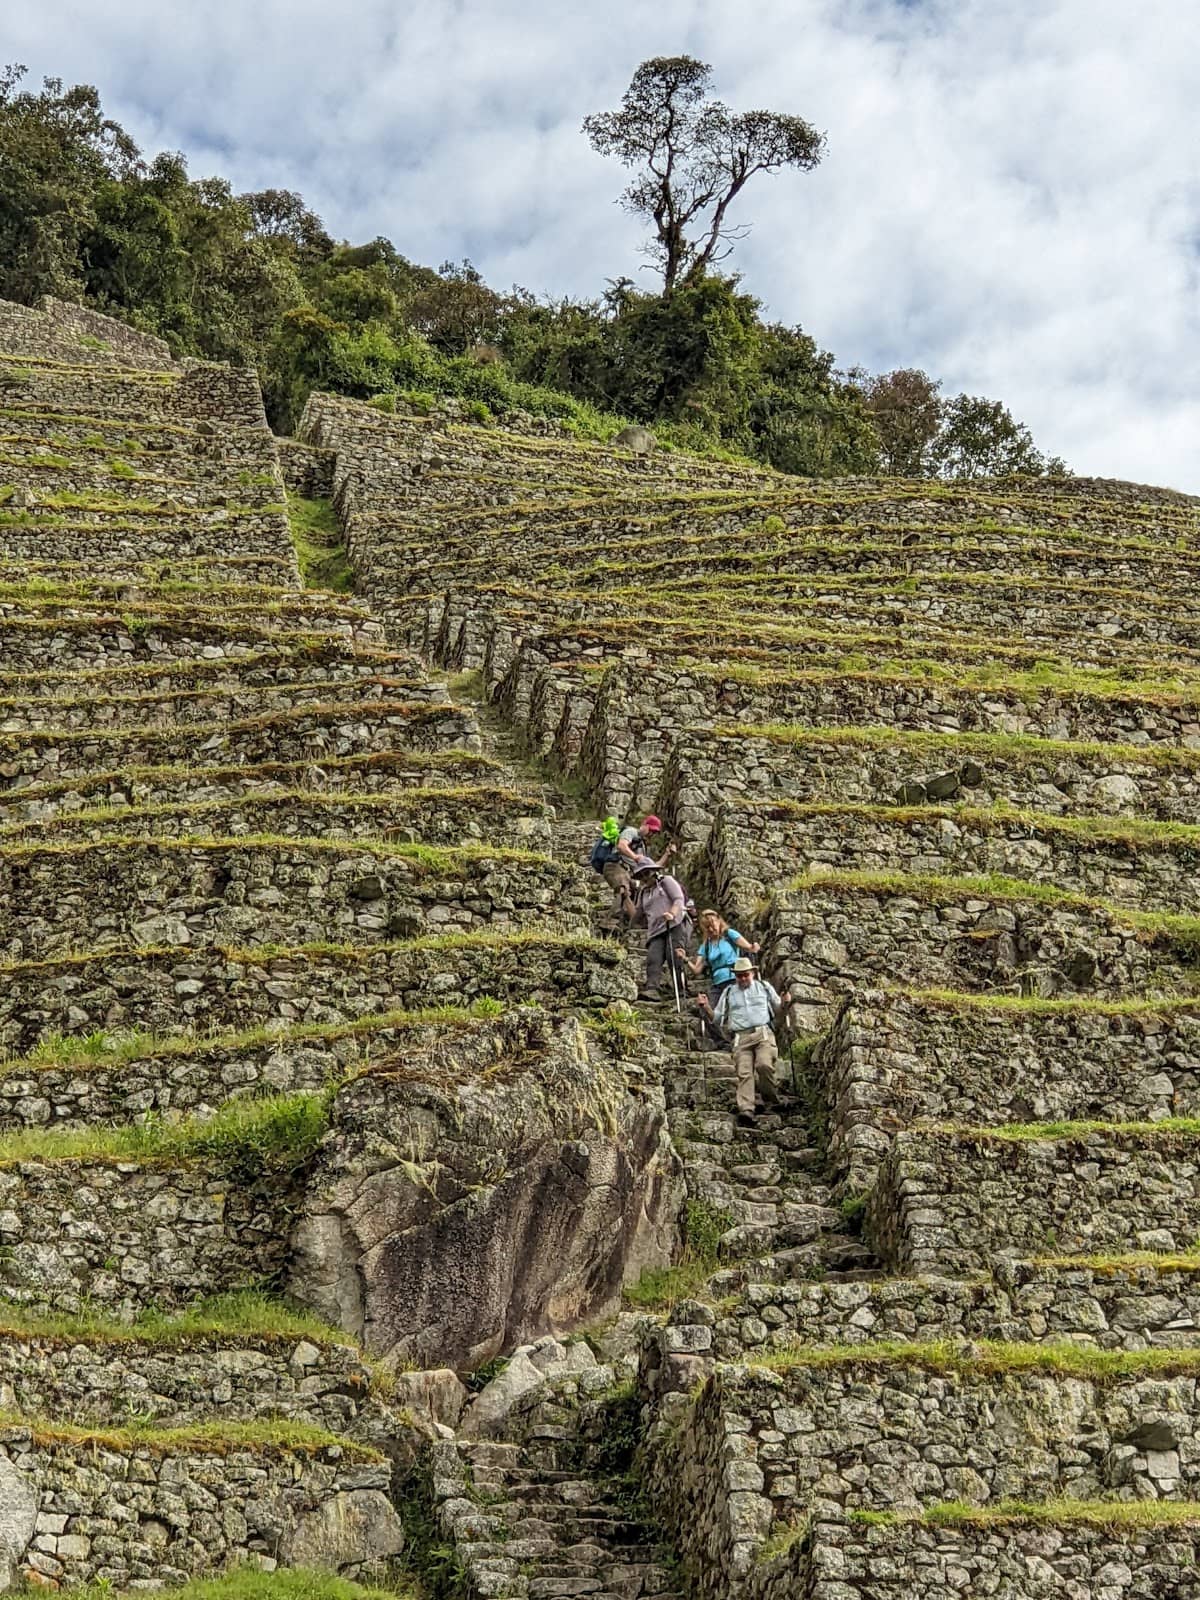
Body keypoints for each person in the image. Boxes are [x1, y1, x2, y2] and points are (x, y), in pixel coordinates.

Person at [702, 957, 791, 1124]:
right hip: (741, 1037)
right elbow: (718, 1018)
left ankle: (771, 1099)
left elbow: (778, 1009)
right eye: (739, 976)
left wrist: (785, 1003)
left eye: (746, 975)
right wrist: (706, 1007)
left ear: (753, 973)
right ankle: (746, 1109)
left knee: (763, 1065)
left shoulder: (764, 987)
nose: (743, 978)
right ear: (735, 976)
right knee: (744, 1072)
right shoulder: (728, 992)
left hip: (762, 1032)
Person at [677, 911, 760, 1045]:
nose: (711, 929)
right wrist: (685, 959)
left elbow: (749, 947)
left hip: (735, 978)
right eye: (707, 927)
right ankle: (722, 1041)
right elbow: (697, 969)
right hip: (717, 983)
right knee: (705, 1009)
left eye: (712, 924)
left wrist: (754, 947)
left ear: (719, 921)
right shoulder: (706, 946)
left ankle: (742, 1040)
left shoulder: (729, 935)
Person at [630, 856, 688, 1001]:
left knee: (674, 957)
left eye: (646, 873)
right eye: (641, 875)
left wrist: (672, 913)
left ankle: (680, 988)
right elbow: (639, 912)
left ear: (653, 871)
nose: (644, 877)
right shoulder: (643, 892)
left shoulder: (665, 882)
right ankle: (652, 989)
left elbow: (678, 899)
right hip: (655, 931)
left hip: (673, 925)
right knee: (653, 959)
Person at [600, 814, 675, 923]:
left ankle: (630, 920)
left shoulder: (641, 845)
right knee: (623, 889)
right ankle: (612, 920)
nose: (651, 834)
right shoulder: (631, 832)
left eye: (654, 833)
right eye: (651, 830)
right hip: (614, 865)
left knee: (636, 892)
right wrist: (635, 857)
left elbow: (651, 867)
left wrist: (667, 854)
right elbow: (622, 846)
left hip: (625, 871)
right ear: (644, 825)